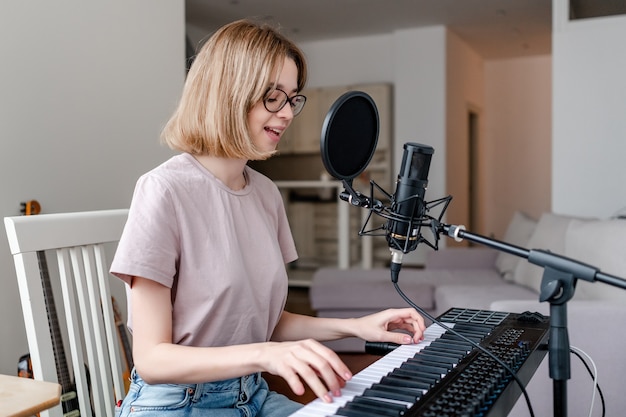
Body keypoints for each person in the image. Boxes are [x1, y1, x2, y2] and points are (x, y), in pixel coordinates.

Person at [111, 19, 426, 417]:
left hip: (251, 396)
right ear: (228, 93)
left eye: (292, 98)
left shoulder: (265, 193)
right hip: (179, 403)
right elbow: (152, 360)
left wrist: (357, 326)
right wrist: (267, 355)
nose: (287, 113)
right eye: (272, 97)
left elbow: (264, 323)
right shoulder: (164, 191)